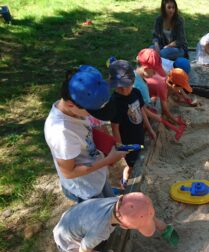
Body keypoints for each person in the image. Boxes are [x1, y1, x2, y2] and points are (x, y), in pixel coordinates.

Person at [44, 65, 127, 203]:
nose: (94, 116)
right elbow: (68, 172)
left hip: (96, 174)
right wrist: (108, 160)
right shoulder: (61, 133)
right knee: (103, 218)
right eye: (93, 112)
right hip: (85, 189)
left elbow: (88, 130)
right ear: (71, 104)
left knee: (109, 199)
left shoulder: (87, 85)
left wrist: (107, 146)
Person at [54, 192, 170, 252]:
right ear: (124, 226)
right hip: (68, 242)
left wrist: (158, 223)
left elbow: (142, 208)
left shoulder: (120, 202)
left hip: (73, 218)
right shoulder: (100, 231)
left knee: (95, 243)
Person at [108, 60, 156, 189]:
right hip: (127, 141)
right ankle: (125, 184)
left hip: (139, 134)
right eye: (120, 86)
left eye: (127, 85)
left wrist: (150, 129)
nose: (124, 90)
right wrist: (120, 147)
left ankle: (125, 180)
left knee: (135, 163)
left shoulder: (136, 93)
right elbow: (115, 127)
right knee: (131, 165)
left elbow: (142, 111)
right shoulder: (115, 103)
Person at [137, 48, 182, 125]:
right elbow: (164, 110)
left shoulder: (161, 79)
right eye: (154, 71)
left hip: (144, 100)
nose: (155, 74)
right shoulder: (160, 86)